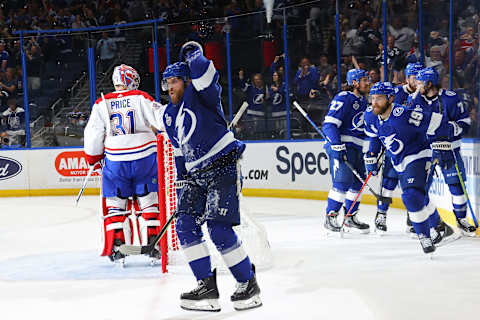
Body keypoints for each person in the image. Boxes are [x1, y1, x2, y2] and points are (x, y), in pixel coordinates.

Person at [160, 41, 261, 312]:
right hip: (196, 176)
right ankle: (206, 286)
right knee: (185, 225)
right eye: (166, 82)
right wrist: (182, 180)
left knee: (218, 229)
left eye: (175, 82)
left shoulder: (202, 94)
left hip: (222, 165)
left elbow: (205, 73)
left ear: (186, 81)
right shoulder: (169, 115)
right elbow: (179, 150)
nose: (170, 87)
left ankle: (247, 283)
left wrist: (195, 54)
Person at [83, 64, 165, 266]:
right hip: (144, 158)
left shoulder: (102, 102)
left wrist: (93, 157)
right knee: (149, 201)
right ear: (133, 80)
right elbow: (162, 119)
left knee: (115, 205)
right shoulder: (141, 97)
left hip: (115, 161)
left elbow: (93, 135)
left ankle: (117, 244)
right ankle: (154, 241)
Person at [365, 82, 455, 255]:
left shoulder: (402, 115)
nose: (374, 102)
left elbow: (437, 120)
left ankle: (425, 236)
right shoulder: (370, 116)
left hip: (418, 154)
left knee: (410, 196)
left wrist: (443, 142)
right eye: (372, 98)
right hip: (399, 160)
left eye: (379, 98)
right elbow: (375, 136)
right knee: (418, 196)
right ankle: (440, 227)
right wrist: (371, 154)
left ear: (390, 99)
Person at [410, 67, 477, 236]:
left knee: (457, 186)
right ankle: (431, 223)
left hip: (449, 150)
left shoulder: (451, 98)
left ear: (429, 83)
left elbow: (465, 122)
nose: (417, 86)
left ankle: (461, 219)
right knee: (419, 189)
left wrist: (449, 130)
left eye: (420, 82)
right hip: (425, 152)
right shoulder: (416, 100)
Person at [374, 62, 425, 234]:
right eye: (414, 77)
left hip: (414, 149)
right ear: (407, 78)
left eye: (420, 77)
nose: (417, 80)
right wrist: (374, 151)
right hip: (395, 148)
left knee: (413, 186)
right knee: (389, 181)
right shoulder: (395, 94)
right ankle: (381, 213)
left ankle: (413, 217)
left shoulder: (424, 95)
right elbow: (381, 120)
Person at [322, 69, 370, 234]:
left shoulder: (365, 101)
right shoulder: (344, 97)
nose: (368, 82)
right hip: (342, 147)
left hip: (358, 148)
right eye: (364, 79)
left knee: (358, 183)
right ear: (354, 82)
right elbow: (329, 124)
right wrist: (336, 144)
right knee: (342, 182)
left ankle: (350, 217)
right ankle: (331, 216)